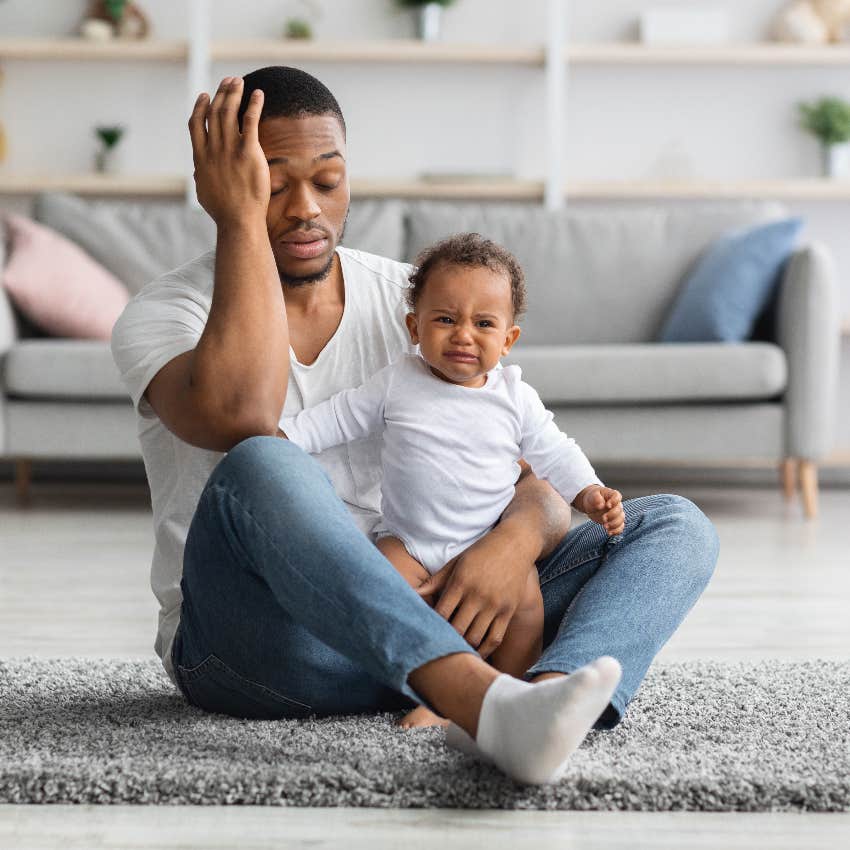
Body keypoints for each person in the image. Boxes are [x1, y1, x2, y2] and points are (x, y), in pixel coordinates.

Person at [111, 65, 720, 786]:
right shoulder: (165, 314)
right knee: (263, 462)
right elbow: (245, 416)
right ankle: (478, 697)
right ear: (226, 183)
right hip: (270, 647)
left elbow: (524, 469)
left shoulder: (422, 302)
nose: (305, 208)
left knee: (676, 525)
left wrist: (513, 546)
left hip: (438, 606)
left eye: (328, 181)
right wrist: (238, 221)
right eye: (273, 185)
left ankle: (541, 702)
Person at [279, 231, 628, 731]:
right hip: (408, 543)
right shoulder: (398, 381)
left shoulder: (514, 397)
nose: (463, 334)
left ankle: (507, 698)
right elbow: (336, 419)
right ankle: (441, 697)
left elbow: (555, 451)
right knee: (386, 594)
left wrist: (590, 492)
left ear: (508, 339)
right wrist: (281, 437)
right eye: (445, 319)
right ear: (414, 326)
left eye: (483, 323)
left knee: (525, 606)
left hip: (488, 544)